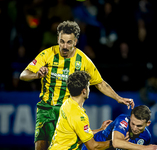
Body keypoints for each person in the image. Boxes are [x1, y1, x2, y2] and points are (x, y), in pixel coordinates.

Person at [19, 20, 134, 150]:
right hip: (45, 108)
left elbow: (99, 83)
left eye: (69, 42)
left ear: (75, 42)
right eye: (62, 41)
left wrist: (118, 98)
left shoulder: (83, 60)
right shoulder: (48, 54)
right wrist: (37, 75)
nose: (64, 46)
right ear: (58, 39)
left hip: (66, 111)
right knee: (40, 146)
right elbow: (23, 75)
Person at [48, 71, 113, 150]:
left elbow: (78, 132)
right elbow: (93, 146)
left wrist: (101, 130)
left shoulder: (67, 103)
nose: (89, 89)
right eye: (88, 86)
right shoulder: (78, 115)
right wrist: (114, 142)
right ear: (84, 91)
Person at [81, 105, 157, 150]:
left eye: (139, 126)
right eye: (133, 123)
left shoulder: (146, 137)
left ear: (148, 123)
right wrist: (145, 148)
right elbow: (116, 143)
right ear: (130, 118)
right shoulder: (123, 120)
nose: (134, 128)